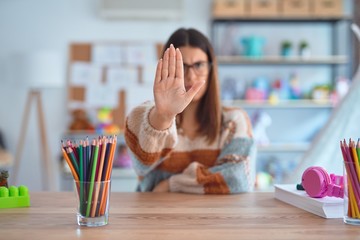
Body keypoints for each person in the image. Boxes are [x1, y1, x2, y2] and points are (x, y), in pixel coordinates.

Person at [124, 28, 255, 194]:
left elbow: (238, 178)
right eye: (182, 66)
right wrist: (164, 117)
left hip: (215, 218)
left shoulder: (234, 120)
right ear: (166, 67)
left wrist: (171, 184)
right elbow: (141, 165)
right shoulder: (147, 117)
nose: (191, 76)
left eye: (198, 65)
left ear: (211, 69)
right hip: (155, 216)